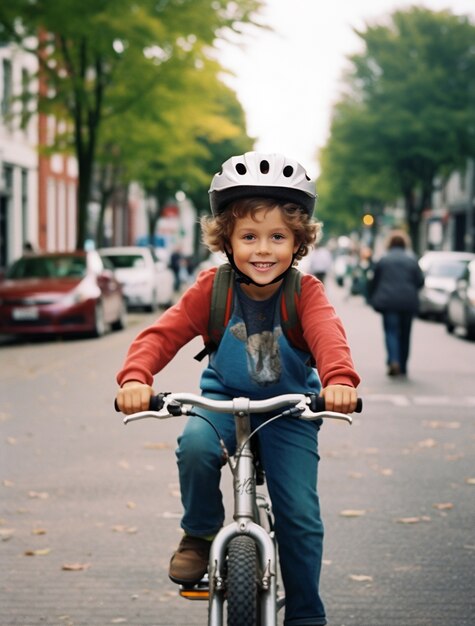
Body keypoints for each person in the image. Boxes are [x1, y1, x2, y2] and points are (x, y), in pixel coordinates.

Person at [115, 151, 360, 626]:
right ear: (226, 240)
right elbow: (159, 335)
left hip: (290, 408)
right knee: (195, 447)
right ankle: (200, 533)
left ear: (299, 243)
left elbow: (330, 338)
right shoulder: (213, 289)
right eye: (249, 236)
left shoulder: (305, 293)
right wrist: (134, 378)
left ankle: (306, 613)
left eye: (277, 237)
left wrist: (339, 383)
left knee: (301, 517)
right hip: (222, 401)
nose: (262, 249)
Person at [368, 229, 424, 377]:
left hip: (389, 302)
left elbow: (375, 281)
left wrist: (372, 298)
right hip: (408, 303)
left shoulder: (384, 259)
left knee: (391, 332)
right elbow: (420, 281)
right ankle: (404, 366)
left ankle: (393, 360)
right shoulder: (412, 259)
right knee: (405, 334)